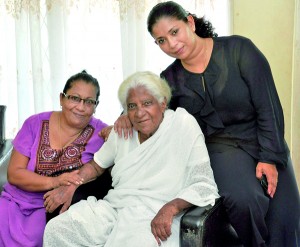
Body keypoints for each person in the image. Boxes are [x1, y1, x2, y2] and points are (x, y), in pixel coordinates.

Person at [106, 2, 300, 247]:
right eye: (161, 40)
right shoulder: (170, 78)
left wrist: (270, 157)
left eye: (174, 32)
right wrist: (126, 113)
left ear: (190, 22)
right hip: (221, 149)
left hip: (265, 137)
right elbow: (150, 105)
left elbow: (268, 106)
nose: (172, 44)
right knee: (243, 200)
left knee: (285, 218)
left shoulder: (240, 49)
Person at [43, 71, 219, 247]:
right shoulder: (122, 130)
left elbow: (202, 183)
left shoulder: (182, 124)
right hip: (116, 208)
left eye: (147, 103)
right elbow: (96, 166)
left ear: (163, 103)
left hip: (156, 210)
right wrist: (73, 184)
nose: (139, 113)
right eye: (132, 106)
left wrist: (171, 207)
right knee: (58, 229)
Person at [0, 70, 112, 247]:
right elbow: (14, 174)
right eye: (74, 98)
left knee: (44, 236)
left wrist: (123, 123)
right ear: (62, 98)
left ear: (95, 106)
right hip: (13, 204)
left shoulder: (102, 134)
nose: (81, 107)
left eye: (89, 102)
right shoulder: (34, 124)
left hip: (53, 209)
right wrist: (56, 181)